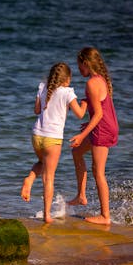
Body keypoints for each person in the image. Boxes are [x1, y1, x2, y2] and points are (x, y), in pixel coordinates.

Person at [21, 62, 87, 223]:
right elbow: (80, 114)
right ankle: (47, 215)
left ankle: (29, 179)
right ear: (67, 79)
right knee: (49, 177)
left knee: (41, 163)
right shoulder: (67, 92)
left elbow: (36, 111)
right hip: (53, 138)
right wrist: (85, 104)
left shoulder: (43, 87)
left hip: (37, 135)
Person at [68, 47, 119, 225]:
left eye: (79, 65)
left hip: (102, 128)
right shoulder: (99, 79)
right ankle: (81, 196)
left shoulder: (92, 83)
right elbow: (97, 109)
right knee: (76, 152)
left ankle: (105, 216)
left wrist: (82, 135)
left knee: (99, 172)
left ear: (86, 63)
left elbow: (98, 114)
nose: (78, 69)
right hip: (104, 125)